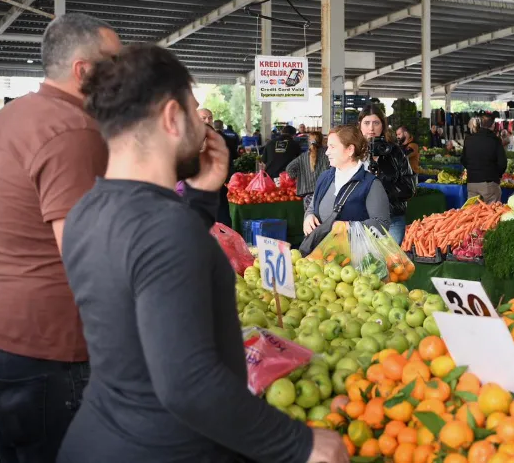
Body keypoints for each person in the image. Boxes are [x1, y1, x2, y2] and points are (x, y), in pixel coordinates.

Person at [58, 45, 346, 463]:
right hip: (164, 447)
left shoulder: (87, 210)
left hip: (102, 431)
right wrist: (300, 443)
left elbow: (151, 271)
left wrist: (199, 196)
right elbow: (188, 384)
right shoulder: (163, 227)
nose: (203, 123)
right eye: (195, 110)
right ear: (173, 118)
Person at [0, 12, 121, 463]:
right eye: (116, 62)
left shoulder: (8, 119)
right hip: (49, 349)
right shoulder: (73, 131)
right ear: (84, 71)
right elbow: (86, 257)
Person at [300, 125, 391, 254]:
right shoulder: (325, 177)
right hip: (321, 257)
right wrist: (308, 217)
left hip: (356, 260)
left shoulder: (371, 184)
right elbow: (312, 206)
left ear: (350, 150)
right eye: (328, 147)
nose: (327, 152)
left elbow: (382, 225)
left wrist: (349, 227)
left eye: (332, 147)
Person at [358, 105, 415, 243]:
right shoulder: (352, 151)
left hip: (392, 219)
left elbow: (409, 188)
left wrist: (381, 182)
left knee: (391, 263)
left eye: (376, 123)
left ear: (382, 126)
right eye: (367, 123)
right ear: (359, 125)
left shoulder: (395, 152)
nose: (371, 128)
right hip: (359, 220)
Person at [460, 115, 507, 205]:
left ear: (480, 124)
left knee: (473, 214)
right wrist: (496, 175)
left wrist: (473, 169)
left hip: (472, 182)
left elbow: (463, 160)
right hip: (489, 183)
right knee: (491, 214)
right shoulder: (495, 140)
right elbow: (502, 163)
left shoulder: (469, 139)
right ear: (493, 125)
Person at [286, 130, 329, 210]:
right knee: (324, 220)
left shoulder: (303, 157)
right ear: (322, 140)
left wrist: (298, 176)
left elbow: (289, 168)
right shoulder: (328, 155)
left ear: (309, 142)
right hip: (325, 193)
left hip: (308, 196)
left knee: (310, 220)